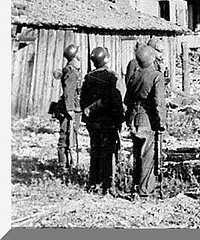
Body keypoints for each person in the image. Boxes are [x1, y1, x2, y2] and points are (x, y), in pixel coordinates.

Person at [124, 45, 167, 197]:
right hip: (147, 119)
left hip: (134, 118)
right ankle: (145, 190)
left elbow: (127, 99)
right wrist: (161, 123)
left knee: (137, 154)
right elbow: (158, 102)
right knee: (148, 155)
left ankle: (135, 186)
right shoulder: (156, 76)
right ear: (152, 58)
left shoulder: (134, 75)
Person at [80, 46, 124, 193]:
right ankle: (107, 185)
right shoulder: (112, 76)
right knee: (108, 153)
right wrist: (119, 120)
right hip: (108, 122)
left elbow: (83, 101)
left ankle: (93, 182)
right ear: (106, 58)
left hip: (93, 122)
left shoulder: (88, 77)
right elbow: (116, 101)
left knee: (95, 151)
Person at [57, 43, 81, 170]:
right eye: (78, 53)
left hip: (72, 107)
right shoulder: (71, 71)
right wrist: (70, 109)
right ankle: (63, 166)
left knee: (71, 134)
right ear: (74, 56)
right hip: (69, 109)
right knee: (66, 135)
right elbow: (69, 92)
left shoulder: (72, 70)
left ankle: (69, 164)